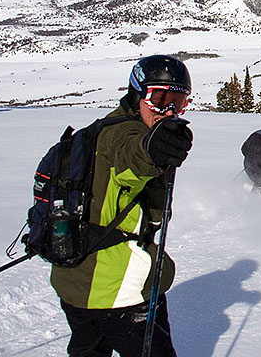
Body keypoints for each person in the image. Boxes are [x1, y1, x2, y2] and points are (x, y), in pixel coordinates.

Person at [51, 54, 194, 357]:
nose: (168, 111)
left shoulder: (104, 127)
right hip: (118, 291)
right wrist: (152, 151)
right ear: (137, 93)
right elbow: (131, 160)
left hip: (74, 282)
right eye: (160, 98)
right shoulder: (125, 135)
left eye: (178, 102)